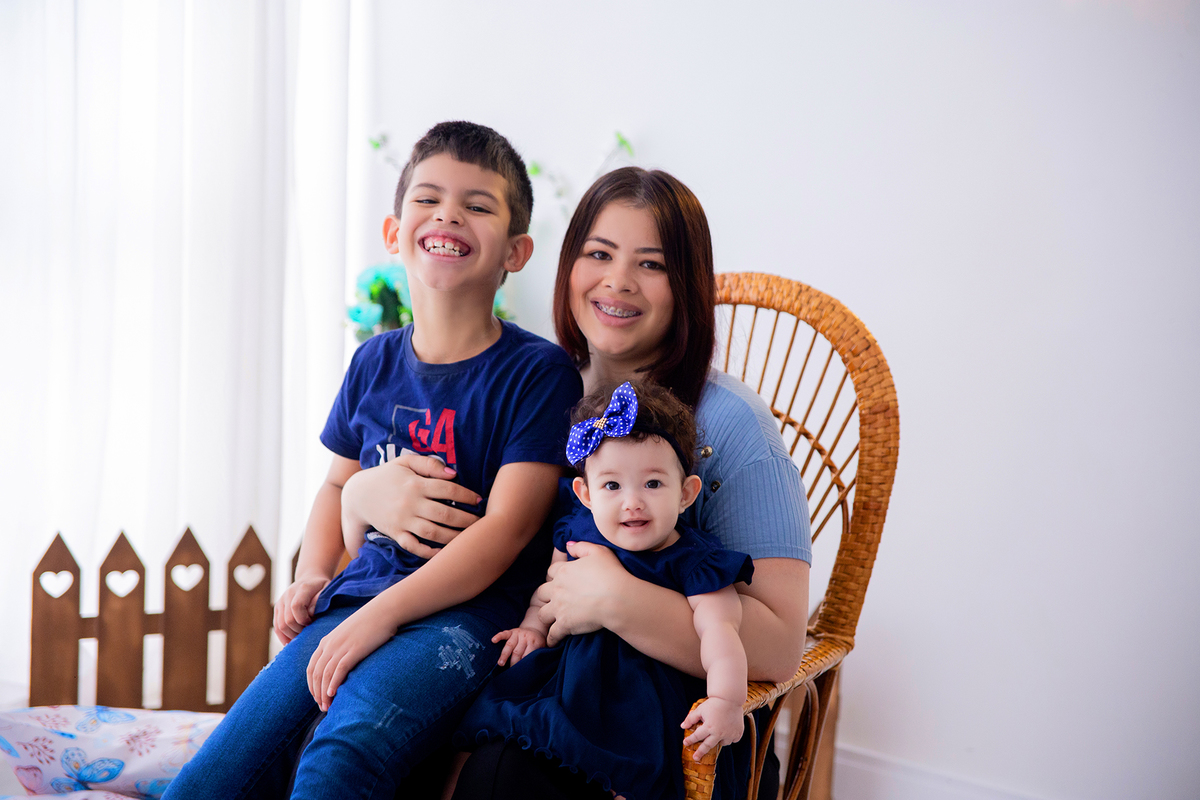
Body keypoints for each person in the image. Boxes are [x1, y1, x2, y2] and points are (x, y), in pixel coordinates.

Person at [345, 167, 813, 800]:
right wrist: (359, 493)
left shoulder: (734, 428)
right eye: (598, 254)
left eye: (651, 264)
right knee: (370, 742)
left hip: (665, 728)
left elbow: (784, 645)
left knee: (498, 780)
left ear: (688, 286)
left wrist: (617, 599)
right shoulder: (536, 387)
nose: (617, 281)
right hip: (526, 674)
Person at [162, 121, 582, 800]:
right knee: (213, 777)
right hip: (355, 601)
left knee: (342, 756)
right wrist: (314, 574)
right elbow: (337, 484)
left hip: (466, 619)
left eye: (477, 205)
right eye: (429, 198)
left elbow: (506, 532)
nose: (449, 214)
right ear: (394, 234)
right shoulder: (373, 361)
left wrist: (378, 618)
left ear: (517, 251)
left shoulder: (539, 373)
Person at [451, 380, 753, 800]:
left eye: (652, 484)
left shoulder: (695, 562)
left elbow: (722, 635)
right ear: (585, 494)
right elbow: (549, 593)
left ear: (686, 494)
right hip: (569, 689)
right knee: (488, 757)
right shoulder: (578, 535)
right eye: (612, 486)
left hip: (641, 706)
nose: (632, 502)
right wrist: (533, 628)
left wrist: (726, 699)